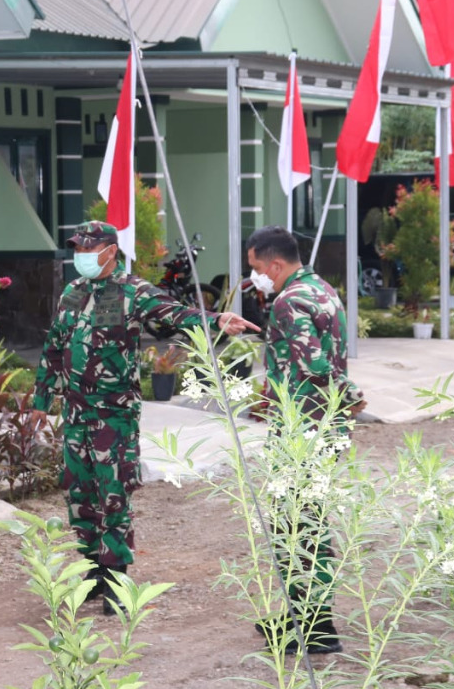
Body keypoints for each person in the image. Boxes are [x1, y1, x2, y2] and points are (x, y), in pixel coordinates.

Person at [31, 220, 258, 614]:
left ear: (110, 251)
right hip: (75, 412)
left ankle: (116, 573)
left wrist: (216, 319)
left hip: (114, 414)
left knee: (113, 492)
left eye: (88, 248)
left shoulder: (132, 292)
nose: (80, 255)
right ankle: (93, 572)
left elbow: (174, 312)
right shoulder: (72, 292)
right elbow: (54, 345)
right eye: (77, 248)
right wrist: (41, 398)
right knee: (80, 491)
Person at [246, 225, 364, 656]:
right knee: (305, 519)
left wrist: (278, 392)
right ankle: (304, 613)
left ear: (275, 264)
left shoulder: (287, 301)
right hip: (323, 424)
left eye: (257, 268)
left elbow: (312, 362)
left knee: (298, 524)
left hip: (303, 429)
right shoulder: (320, 289)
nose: (256, 277)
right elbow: (312, 348)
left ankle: (316, 627)